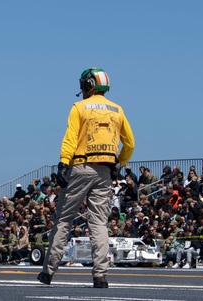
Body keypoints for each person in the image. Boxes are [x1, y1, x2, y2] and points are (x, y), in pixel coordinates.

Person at [39, 67, 135, 289]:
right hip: (104, 171)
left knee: (64, 219)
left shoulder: (79, 107)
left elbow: (71, 137)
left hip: (80, 167)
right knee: (99, 223)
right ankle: (100, 276)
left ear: (88, 85)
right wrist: (119, 163)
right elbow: (130, 143)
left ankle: (48, 272)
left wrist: (63, 162)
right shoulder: (117, 110)